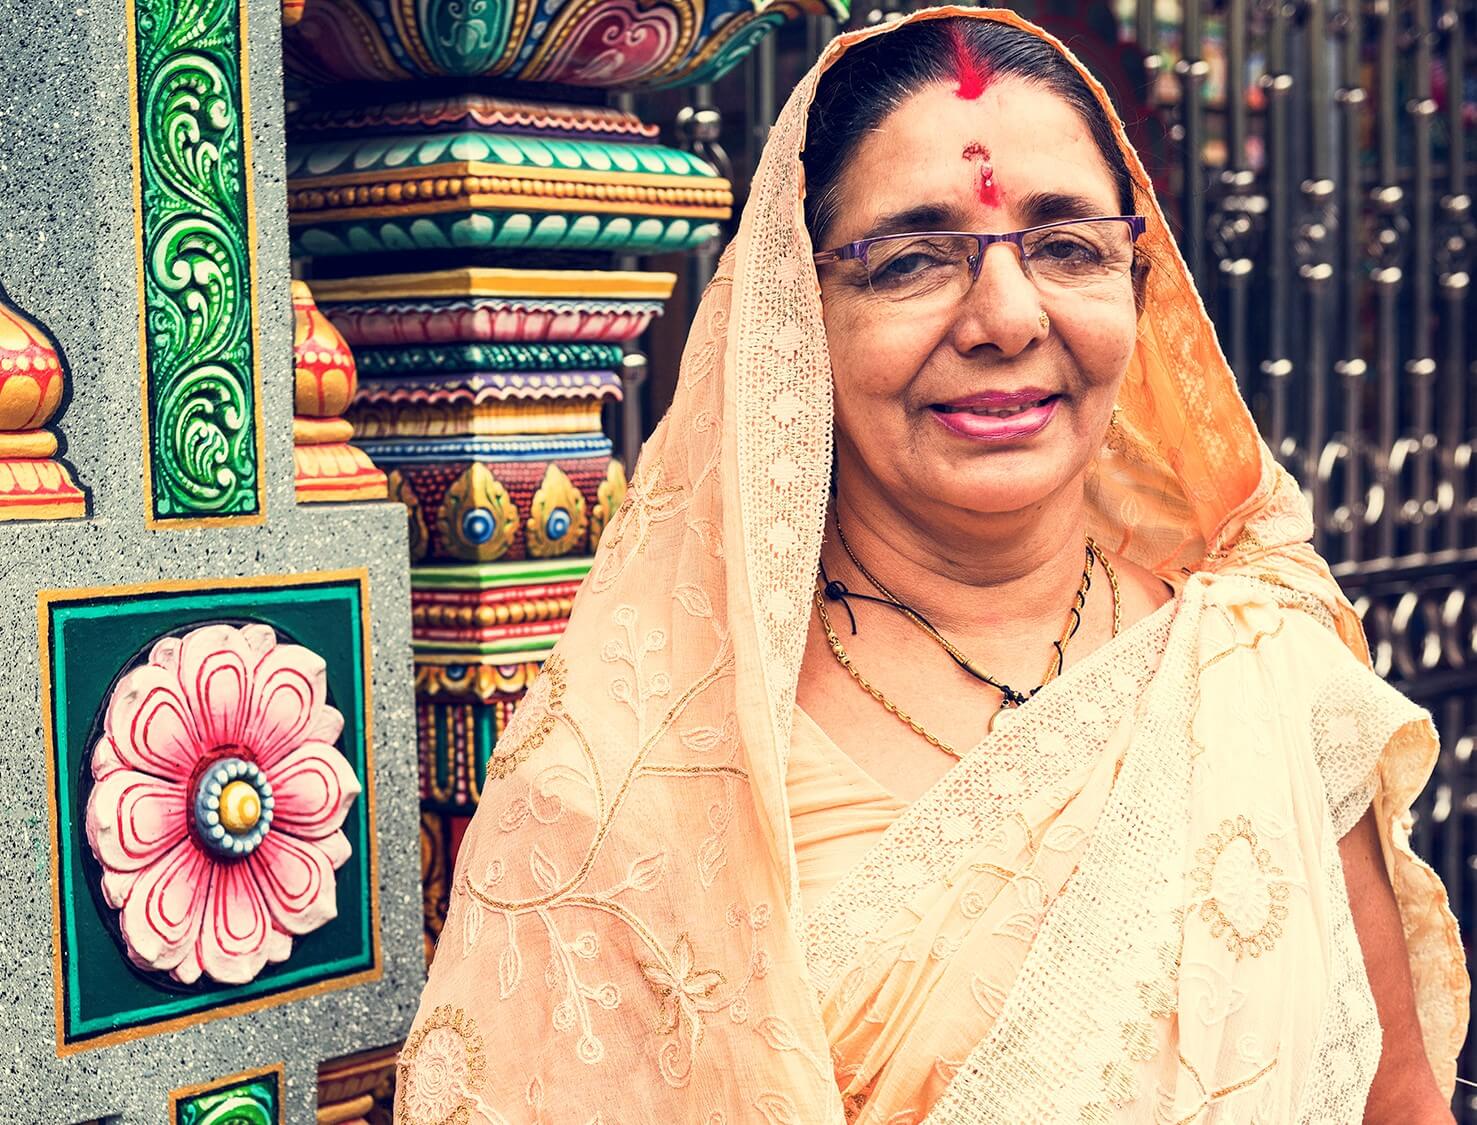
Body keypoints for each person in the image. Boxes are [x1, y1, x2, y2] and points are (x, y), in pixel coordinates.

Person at [395, 9, 1467, 1122]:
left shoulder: (1264, 674)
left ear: (1138, 288)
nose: (1007, 317)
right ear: (798, 319)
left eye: (1067, 247)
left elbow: (1398, 1104)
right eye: (909, 260)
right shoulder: (628, 774)